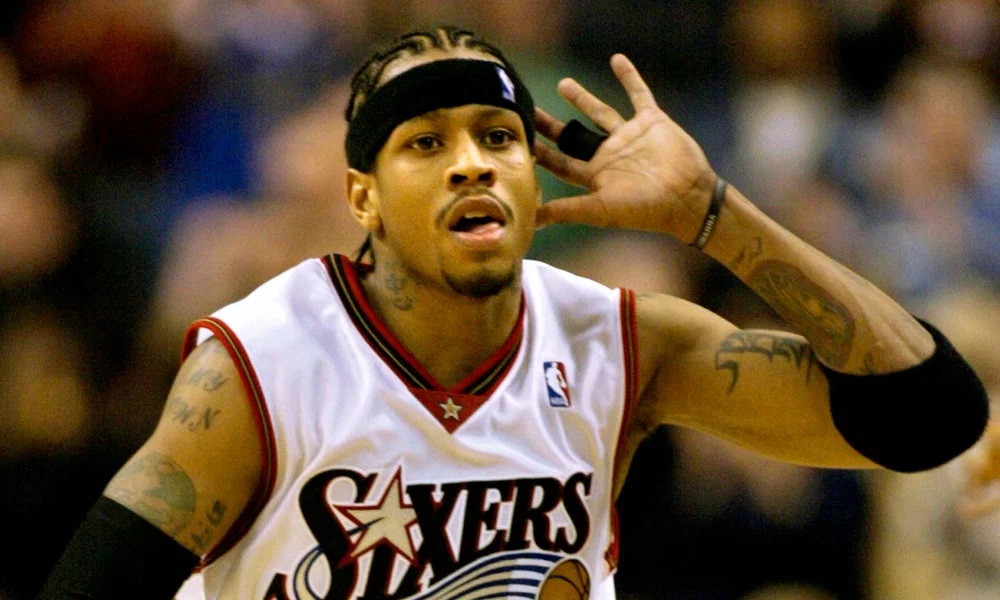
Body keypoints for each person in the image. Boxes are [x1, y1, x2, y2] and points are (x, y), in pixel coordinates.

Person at [36, 25, 989, 600]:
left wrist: (713, 217)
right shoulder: (262, 363)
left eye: (498, 137)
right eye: (425, 144)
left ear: (535, 182)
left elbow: (930, 416)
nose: (471, 163)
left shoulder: (619, 339)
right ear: (364, 198)